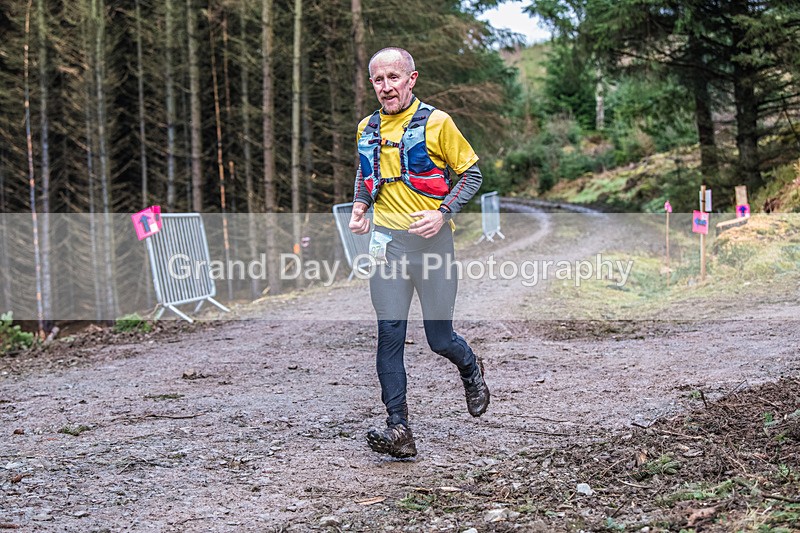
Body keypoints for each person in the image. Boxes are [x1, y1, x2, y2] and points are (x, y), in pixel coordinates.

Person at [349, 47, 489, 459]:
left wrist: (443, 213)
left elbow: (472, 173)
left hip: (432, 248)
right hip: (388, 247)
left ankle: (470, 367)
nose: (386, 86)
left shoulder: (438, 122)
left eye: (394, 77)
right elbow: (365, 170)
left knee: (439, 338)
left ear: (412, 79)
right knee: (389, 335)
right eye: (378, 79)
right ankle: (400, 430)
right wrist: (360, 206)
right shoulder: (367, 126)